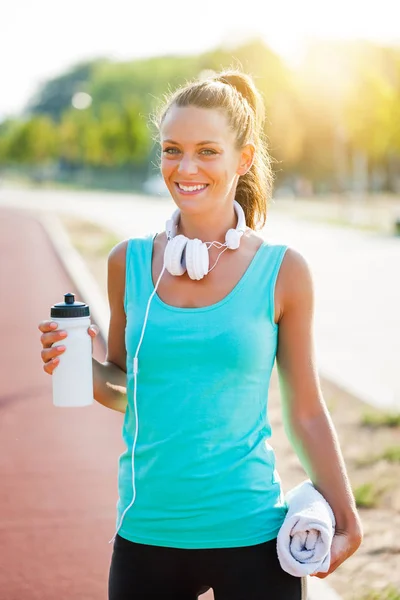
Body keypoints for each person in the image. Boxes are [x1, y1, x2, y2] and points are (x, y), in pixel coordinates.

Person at [38, 68, 363, 600]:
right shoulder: (130, 262)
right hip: (148, 534)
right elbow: (124, 388)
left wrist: (347, 513)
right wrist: (78, 365)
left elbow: (305, 409)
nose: (185, 168)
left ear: (245, 159)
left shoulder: (284, 271)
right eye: (172, 150)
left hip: (253, 532)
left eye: (207, 151)